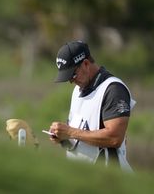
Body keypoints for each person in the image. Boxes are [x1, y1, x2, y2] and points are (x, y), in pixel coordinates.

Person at [47, 40, 136, 172]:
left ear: (86, 64)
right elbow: (80, 137)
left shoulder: (113, 89)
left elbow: (114, 138)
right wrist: (64, 138)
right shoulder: (77, 90)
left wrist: (70, 132)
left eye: (73, 75)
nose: (71, 81)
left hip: (111, 180)